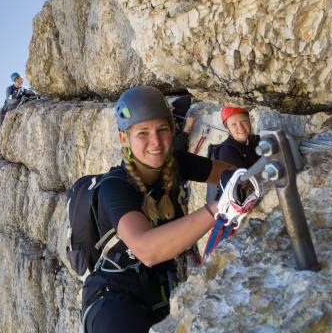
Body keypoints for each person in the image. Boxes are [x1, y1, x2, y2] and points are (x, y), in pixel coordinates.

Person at [81, 86, 236, 333]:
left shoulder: (175, 163)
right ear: (124, 138)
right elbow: (147, 249)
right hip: (113, 300)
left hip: (161, 291)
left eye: (162, 129)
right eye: (143, 133)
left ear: (172, 129)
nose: (156, 142)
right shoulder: (114, 188)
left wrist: (250, 173)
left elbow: (228, 173)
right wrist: (219, 208)